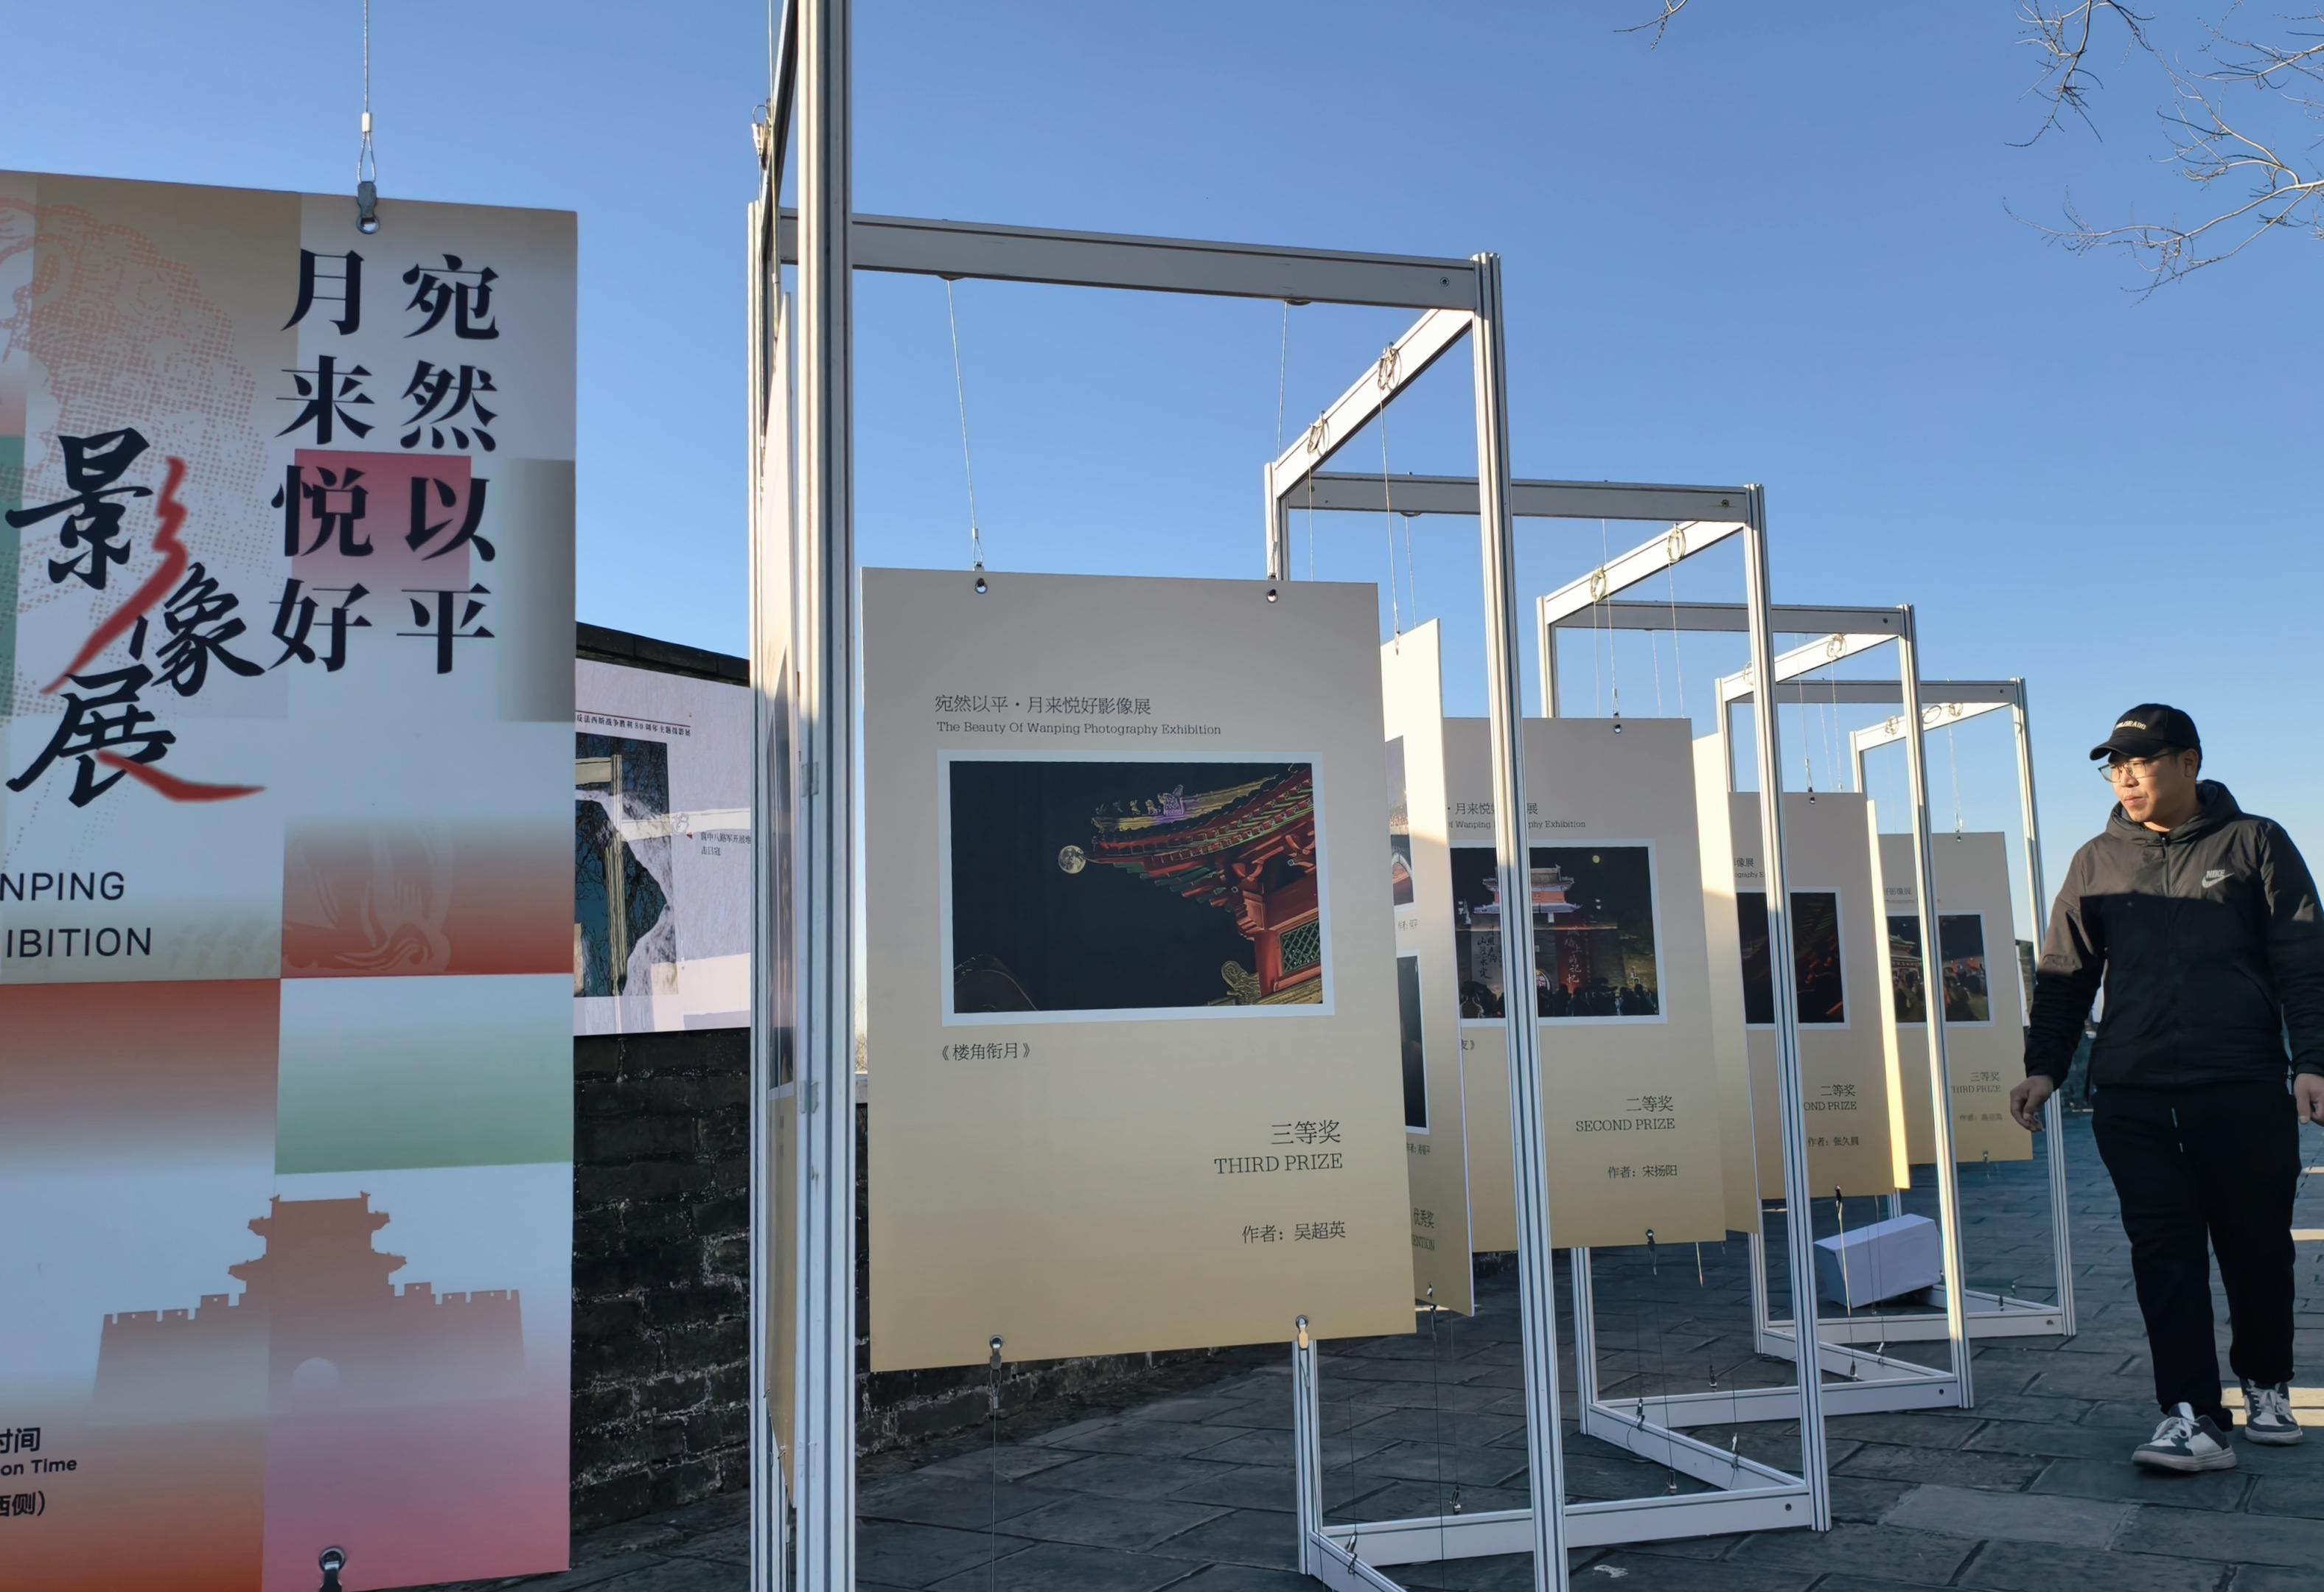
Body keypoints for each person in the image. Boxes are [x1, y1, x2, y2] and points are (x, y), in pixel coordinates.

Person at [2011, 704, 2324, 1473]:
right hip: (2134, 1093)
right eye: (2114, 766)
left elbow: (2304, 961)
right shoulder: (2095, 860)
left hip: (2240, 1084)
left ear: (2188, 762)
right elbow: (2064, 975)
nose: (2125, 777)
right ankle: (2191, 1414)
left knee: (2256, 1246)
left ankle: (2266, 1383)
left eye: (2140, 761)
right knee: (2164, 1254)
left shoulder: (2255, 842)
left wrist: (2313, 1061)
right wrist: (2045, 1065)